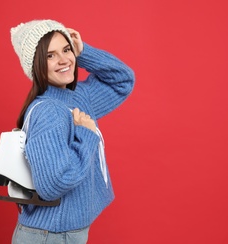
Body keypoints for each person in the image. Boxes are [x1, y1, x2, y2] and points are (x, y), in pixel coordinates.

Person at [10, 19, 135, 244]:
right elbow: (52, 185)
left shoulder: (77, 98)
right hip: (51, 236)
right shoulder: (49, 111)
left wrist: (83, 51)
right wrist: (86, 135)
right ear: (36, 65)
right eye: (50, 56)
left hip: (62, 232)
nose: (64, 60)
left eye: (66, 50)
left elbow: (123, 80)